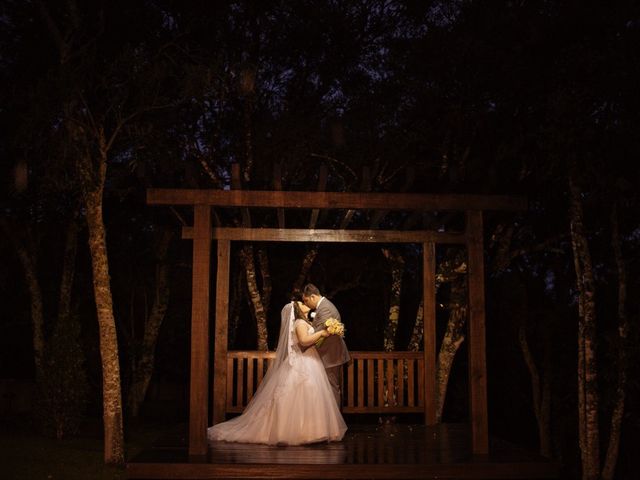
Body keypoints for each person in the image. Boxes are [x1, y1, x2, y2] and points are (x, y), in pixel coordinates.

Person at [207, 300, 347, 445]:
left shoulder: (305, 322)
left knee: (312, 395)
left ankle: (313, 430)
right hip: (303, 362)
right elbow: (304, 341)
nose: (304, 303)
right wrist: (323, 333)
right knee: (302, 394)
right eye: (300, 303)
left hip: (311, 360)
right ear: (296, 309)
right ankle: (298, 431)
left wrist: (324, 334)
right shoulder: (299, 323)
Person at [302, 284, 351, 407]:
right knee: (328, 387)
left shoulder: (324, 308)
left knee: (332, 387)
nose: (306, 304)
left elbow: (320, 331)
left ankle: (334, 423)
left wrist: (304, 335)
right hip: (327, 354)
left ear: (313, 297)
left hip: (330, 355)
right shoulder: (323, 306)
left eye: (306, 301)